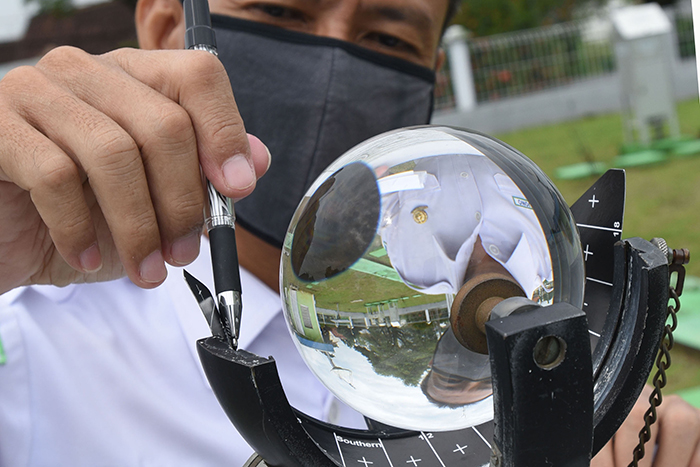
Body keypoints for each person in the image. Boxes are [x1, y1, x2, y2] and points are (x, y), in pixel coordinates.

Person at [0, 0, 697, 465]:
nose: (332, 63)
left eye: (389, 36)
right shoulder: (29, 343)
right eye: (281, 8)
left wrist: (570, 402)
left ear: (429, 72)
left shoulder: (480, 292)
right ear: (161, 28)